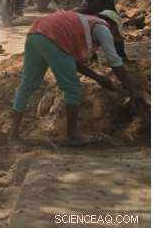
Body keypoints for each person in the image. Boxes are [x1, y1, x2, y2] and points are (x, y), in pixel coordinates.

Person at [9, 9, 147, 146]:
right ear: (112, 25)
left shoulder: (81, 24)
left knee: (27, 84)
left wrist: (98, 78)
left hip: (35, 34)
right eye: (115, 33)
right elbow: (115, 61)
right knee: (72, 88)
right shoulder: (103, 27)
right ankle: (72, 136)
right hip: (52, 36)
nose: (112, 37)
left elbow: (72, 62)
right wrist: (132, 91)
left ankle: (13, 134)